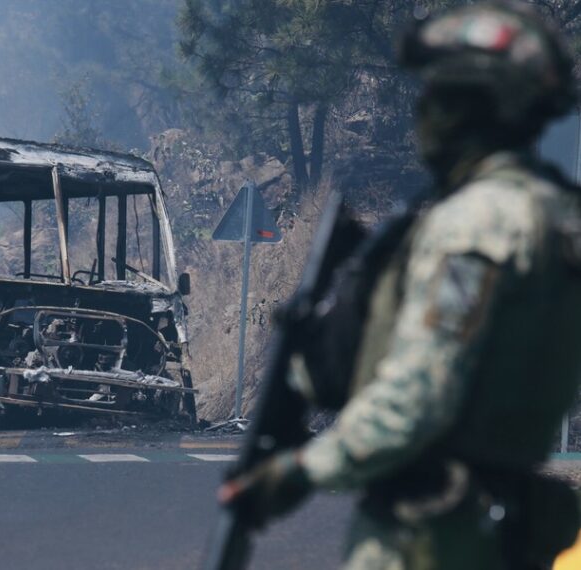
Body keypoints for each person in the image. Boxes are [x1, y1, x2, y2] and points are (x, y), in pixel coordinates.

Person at [220, 2, 581, 569]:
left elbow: (422, 393)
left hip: (429, 539)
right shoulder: (559, 217)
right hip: (511, 534)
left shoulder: (477, 224)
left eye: (438, 98)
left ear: (472, 107)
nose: (423, 116)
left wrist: (301, 470)